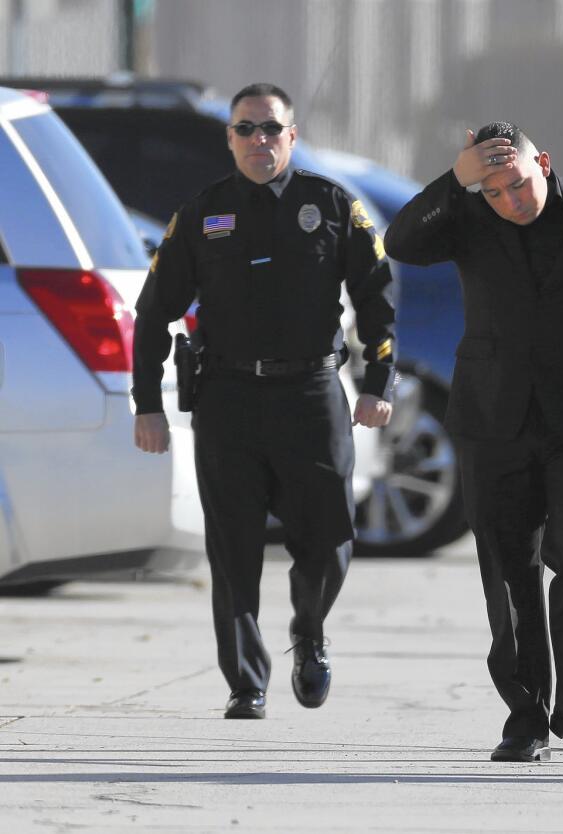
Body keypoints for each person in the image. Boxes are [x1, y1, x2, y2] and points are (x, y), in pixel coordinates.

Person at [132, 82, 396, 720]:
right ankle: (246, 682)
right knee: (233, 548)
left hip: (311, 396)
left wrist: (377, 384)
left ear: (292, 136)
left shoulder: (330, 205)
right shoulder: (202, 213)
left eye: (271, 129)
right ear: (229, 138)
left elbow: (379, 296)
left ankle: (310, 631)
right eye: (246, 129)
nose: (259, 140)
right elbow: (153, 312)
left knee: (331, 536)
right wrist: (148, 404)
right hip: (228, 399)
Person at [385, 122, 563, 763]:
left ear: (543, 163)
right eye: (492, 190)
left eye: (516, 183)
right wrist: (457, 178)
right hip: (492, 418)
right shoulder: (466, 213)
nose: (508, 200)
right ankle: (525, 715)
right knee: (507, 566)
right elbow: (401, 241)